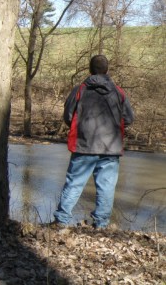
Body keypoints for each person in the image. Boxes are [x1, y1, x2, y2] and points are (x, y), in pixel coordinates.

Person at [51, 55, 134, 229]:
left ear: (90, 69)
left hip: (84, 145)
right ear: (107, 70)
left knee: (74, 184)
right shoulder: (118, 92)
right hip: (111, 148)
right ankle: (101, 224)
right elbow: (128, 118)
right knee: (106, 187)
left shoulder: (80, 89)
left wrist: (81, 127)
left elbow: (68, 116)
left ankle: (61, 221)